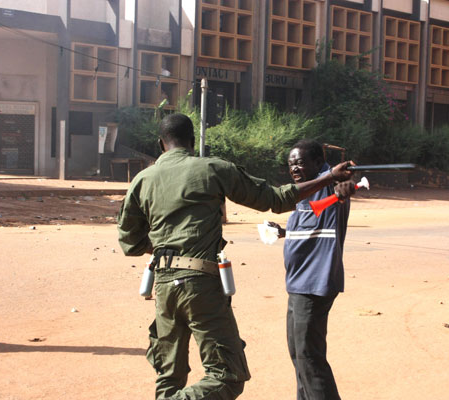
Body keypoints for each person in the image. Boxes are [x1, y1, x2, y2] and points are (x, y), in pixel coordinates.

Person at [117, 114, 355, 400]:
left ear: (160, 143)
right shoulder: (213, 169)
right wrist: (329, 176)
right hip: (200, 285)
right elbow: (275, 200)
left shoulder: (142, 179)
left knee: (168, 378)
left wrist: (164, 248)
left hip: (164, 286)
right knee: (228, 376)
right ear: (193, 142)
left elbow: (129, 241)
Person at [267, 140, 355, 400]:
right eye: (291, 163)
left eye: (301, 162)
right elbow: (311, 222)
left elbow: (342, 189)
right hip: (297, 283)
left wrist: (343, 181)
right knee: (298, 354)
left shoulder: (327, 185)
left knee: (309, 357)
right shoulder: (304, 192)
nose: (295, 167)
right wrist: (283, 232)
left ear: (319, 163)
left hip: (314, 282)